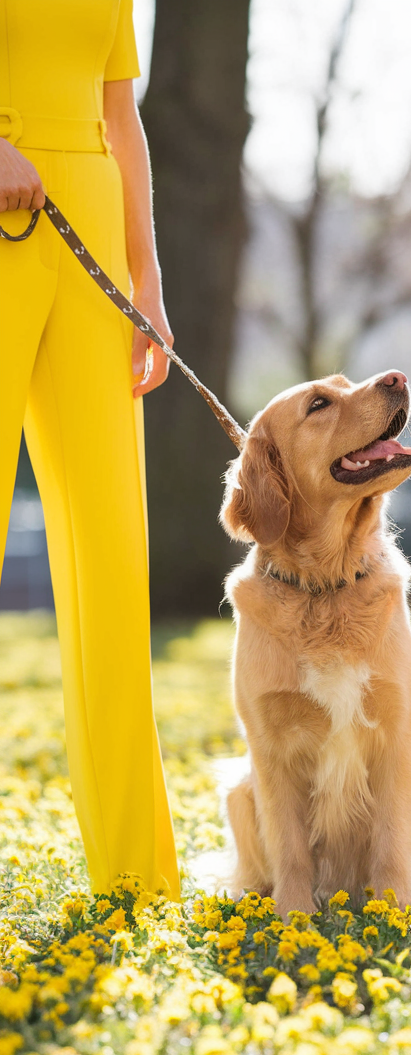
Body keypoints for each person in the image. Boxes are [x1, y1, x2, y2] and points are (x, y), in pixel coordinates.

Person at [0, 0, 180, 896]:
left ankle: (135, 870)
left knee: (112, 560)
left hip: (89, 229)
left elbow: (121, 115)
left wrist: (145, 275)